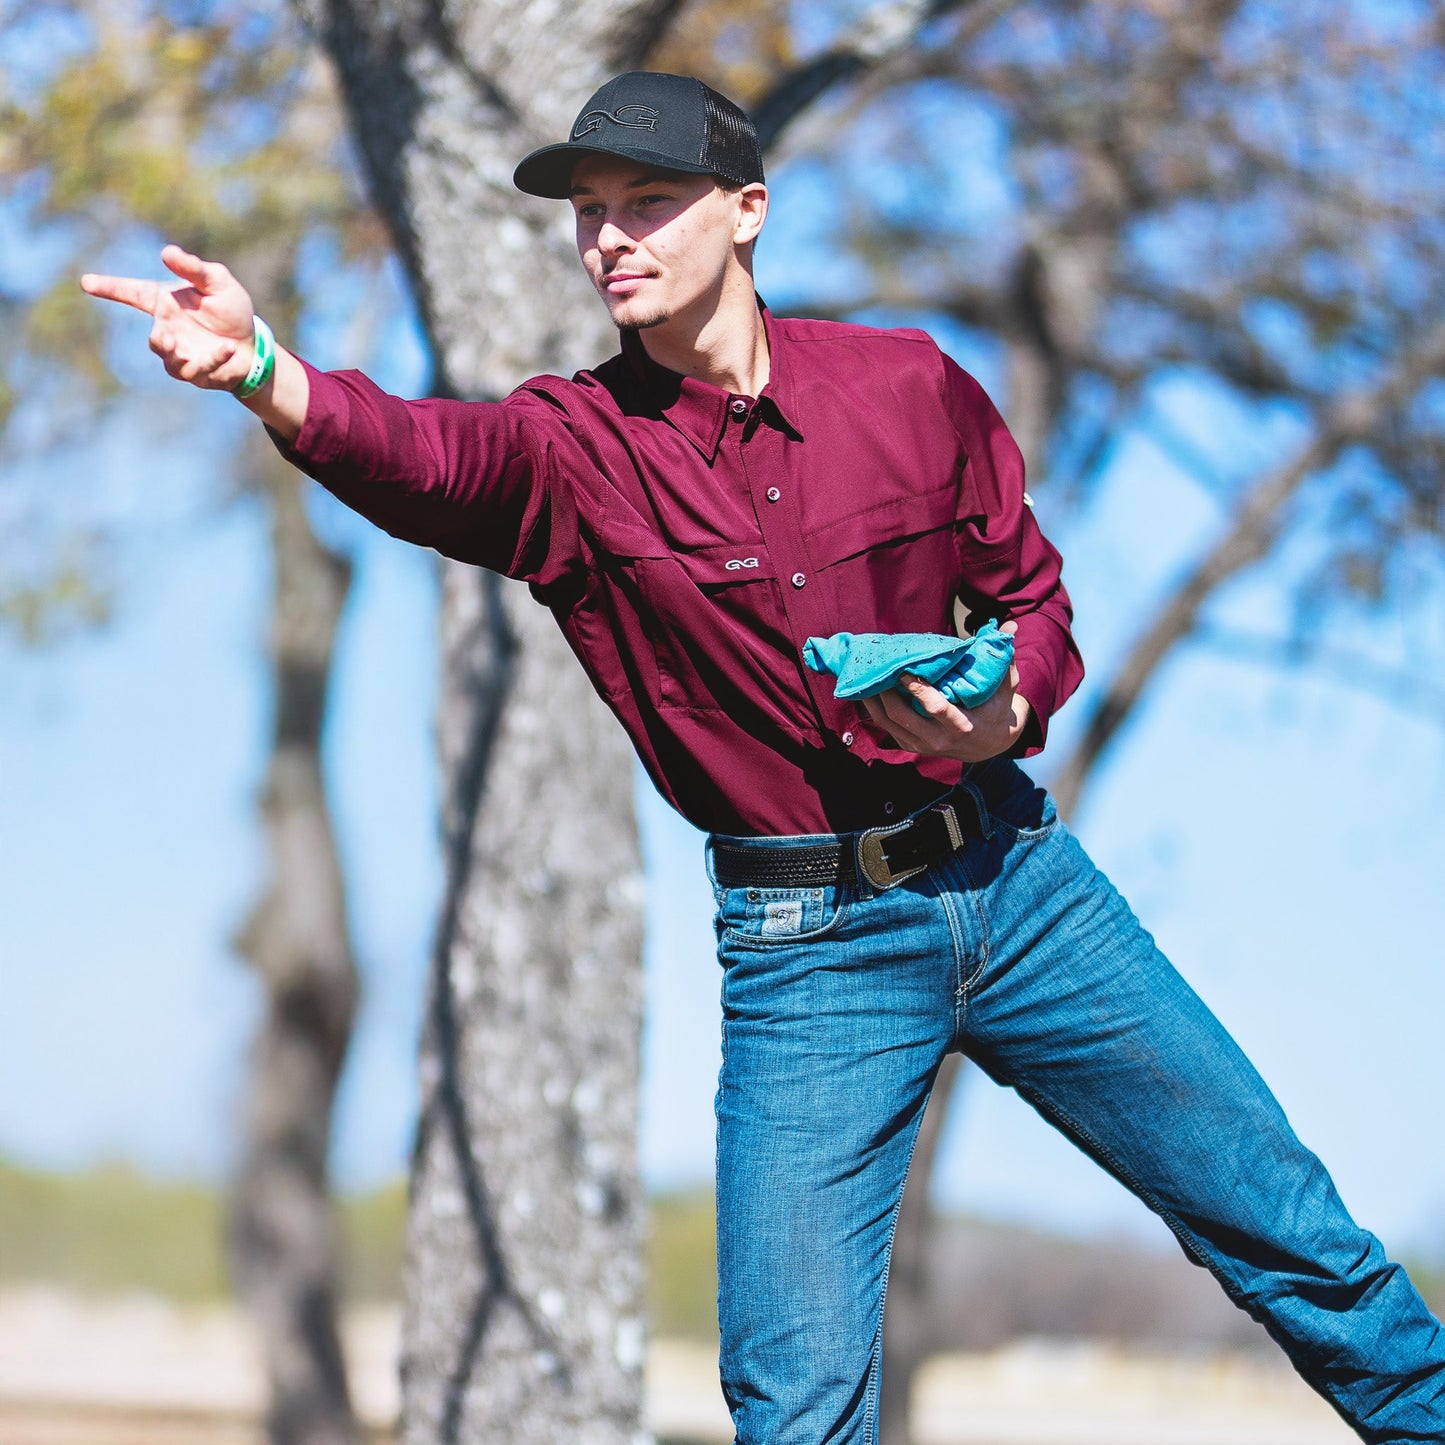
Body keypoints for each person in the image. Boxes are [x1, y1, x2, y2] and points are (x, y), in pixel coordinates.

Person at [82, 69, 1444, 1445]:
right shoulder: (573, 448)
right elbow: (429, 457)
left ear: (746, 211)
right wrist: (263, 371)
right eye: (590, 211)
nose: (610, 237)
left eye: (647, 203)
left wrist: (1004, 709)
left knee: (1301, 1244)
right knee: (797, 1405)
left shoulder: (911, 385)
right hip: (811, 947)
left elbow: (1031, 599)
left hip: (1023, 885)